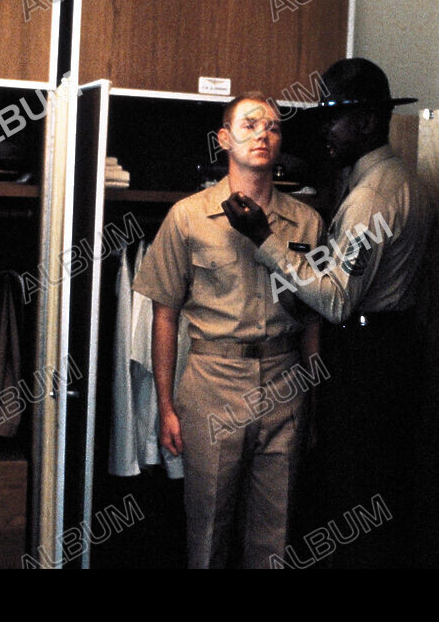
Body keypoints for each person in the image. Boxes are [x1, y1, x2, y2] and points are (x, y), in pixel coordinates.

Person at [223, 58, 432, 568]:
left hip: (368, 358)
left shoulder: (373, 196)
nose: (323, 131)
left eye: (333, 119)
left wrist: (264, 240)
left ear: (364, 122)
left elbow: (338, 300)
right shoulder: (385, 179)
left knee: (355, 494)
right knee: (365, 494)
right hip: (384, 348)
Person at [133, 93, 322, 568]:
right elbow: (165, 314)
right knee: (207, 529)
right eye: (251, 124)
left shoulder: (306, 220)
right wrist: (166, 406)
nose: (263, 134)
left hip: (284, 378)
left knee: (274, 536)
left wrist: (313, 395)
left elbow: (314, 316)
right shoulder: (188, 216)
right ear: (224, 139)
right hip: (213, 378)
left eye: (274, 127)